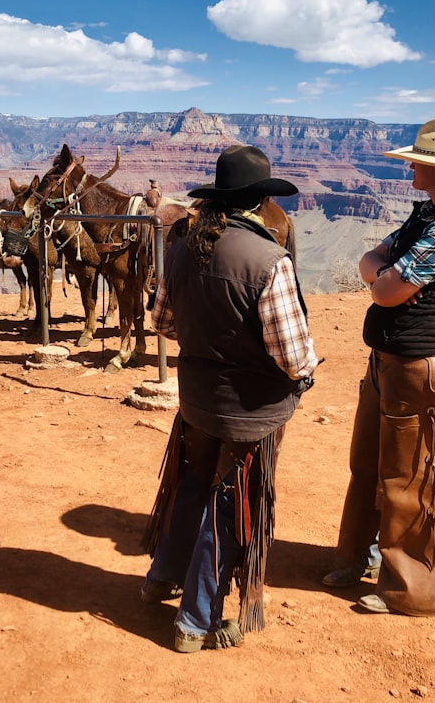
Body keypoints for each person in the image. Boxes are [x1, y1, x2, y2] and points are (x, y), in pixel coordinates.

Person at [322, 112, 435, 615]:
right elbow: (373, 263)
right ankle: (357, 557)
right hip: (387, 357)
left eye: (418, 162)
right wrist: (384, 275)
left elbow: (383, 287)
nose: (410, 171)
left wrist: (383, 277)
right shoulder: (427, 214)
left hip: (419, 363)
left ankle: (411, 586)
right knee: (368, 464)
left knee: (407, 477)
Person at [140, 145, 319, 652]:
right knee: (231, 504)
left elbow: (163, 324)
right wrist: (305, 376)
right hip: (252, 412)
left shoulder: (180, 249)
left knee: (193, 482)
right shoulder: (269, 260)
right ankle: (195, 621)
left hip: (196, 400)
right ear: (263, 200)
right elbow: (293, 357)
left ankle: (161, 576)